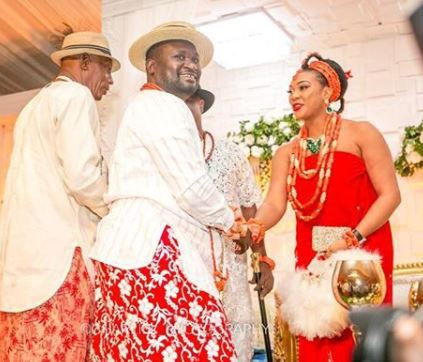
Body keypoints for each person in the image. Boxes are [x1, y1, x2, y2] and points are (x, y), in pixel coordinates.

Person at [89, 22, 244, 361]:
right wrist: (229, 221)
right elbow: (191, 188)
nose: (191, 64)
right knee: (204, 347)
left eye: (194, 59)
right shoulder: (164, 105)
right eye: (179, 56)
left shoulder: (146, 106)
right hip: (151, 251)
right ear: (152, 67)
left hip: (127, 252)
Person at [248, 52, 401, 361]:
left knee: (362, 340)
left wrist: (351, 238)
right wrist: (255, 225)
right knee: (317, 342)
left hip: (361, 251)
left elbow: (390, 195)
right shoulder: (286, 152)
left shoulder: (361, 134)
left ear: (328, 92)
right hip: (314, 256)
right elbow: (275, 203)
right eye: (291, 90)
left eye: (303, 88)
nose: (294, 96)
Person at [0, 31, 119, 361]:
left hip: (21, 265)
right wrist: (115, 211)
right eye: (106, 69)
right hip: (59, 262)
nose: (109, 81)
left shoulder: (33, 107)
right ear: (84, 63)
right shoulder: (75, 97)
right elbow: (83, 179)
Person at [186, 87, 275, 361]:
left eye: (187, 102)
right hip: (188, 267)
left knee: (237, 342)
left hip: (232, 268)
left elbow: (251, 209)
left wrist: (262, 260)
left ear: (201, 104)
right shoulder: (170, 155)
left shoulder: (230, 152)